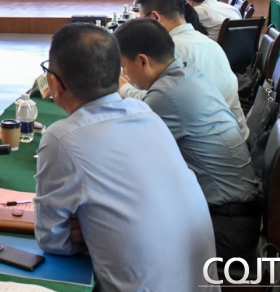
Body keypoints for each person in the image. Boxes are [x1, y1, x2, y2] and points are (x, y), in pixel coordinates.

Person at [35, 23, 218, 291]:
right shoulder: (144, 112)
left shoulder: (61, 138)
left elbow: (52, 240)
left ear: (55, 83)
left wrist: (88, 232)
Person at [114, 19, 261, 262]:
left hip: (224, 228)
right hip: (237, 211)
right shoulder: (188, 73)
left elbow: (127, 154)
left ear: (142, 61)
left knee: (118, 232)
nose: (125, 75)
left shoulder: (164, 96)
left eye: (124, 67)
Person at [126, 0, 249, 140]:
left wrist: (123, 86)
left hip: (209, 142)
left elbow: (152, 103)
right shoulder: (209, 43)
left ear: (156, 17)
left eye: (142, 21)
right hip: (235, 135)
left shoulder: (171, 50)